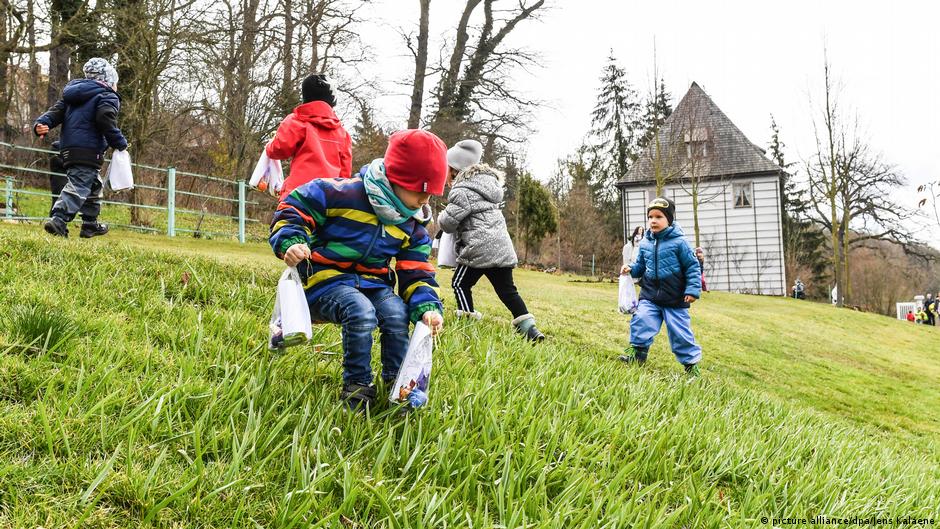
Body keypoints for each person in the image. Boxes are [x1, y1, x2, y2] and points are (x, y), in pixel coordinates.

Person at [269, 129, 446, 411]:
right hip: (326, 281)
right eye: (420, 190)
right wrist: (292, 240)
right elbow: (293, 206)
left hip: (374, 284)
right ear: (396, 177)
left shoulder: (411, 224)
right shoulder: (341, 193)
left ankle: (397, 385)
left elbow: (417, 271)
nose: (425, 200)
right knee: (360, 311)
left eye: (431, 193)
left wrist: (427, 306)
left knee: (396, 313)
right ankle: (358, 388)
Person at [437, 139, 545, 342]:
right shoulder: (489, 187)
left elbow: (448, 224)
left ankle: (466, 324)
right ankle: (530, 329)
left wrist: (441, 217)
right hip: (502, 248)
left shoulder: (462, 191)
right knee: (507, 290)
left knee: (460, 284)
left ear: (454, 169)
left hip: (478, 248)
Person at [33, 57, 127, 238]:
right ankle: (59, 219)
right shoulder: (108, 95)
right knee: (79, 185)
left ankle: (89, 224)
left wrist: (41, 124)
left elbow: (54, 113)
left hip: (68, 147)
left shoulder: (72, 96)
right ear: (108, 80)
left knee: (93, 185)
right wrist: (120, 143)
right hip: (88, 148)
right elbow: (105, 119)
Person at [618, 197, 702, 376]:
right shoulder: (646, 243)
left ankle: (691, 366)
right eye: (650, 217)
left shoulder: (680, 243)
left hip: (675, 298)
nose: (653, 221)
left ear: (669, 220)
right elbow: (640, 266)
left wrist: (692, 290)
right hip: (650, 296)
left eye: (659, 217)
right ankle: (638, 354)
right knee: (641, 320)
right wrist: (630, 270)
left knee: (680, 333)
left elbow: (692, 267)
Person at [266, 74, 352, 199]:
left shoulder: (296, 121)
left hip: (298, 195)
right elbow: (345, 174)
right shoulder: (342, 134)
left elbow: (279, 149)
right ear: (331, 101)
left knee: (288, 218)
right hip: (329, 199)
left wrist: (269, 145)